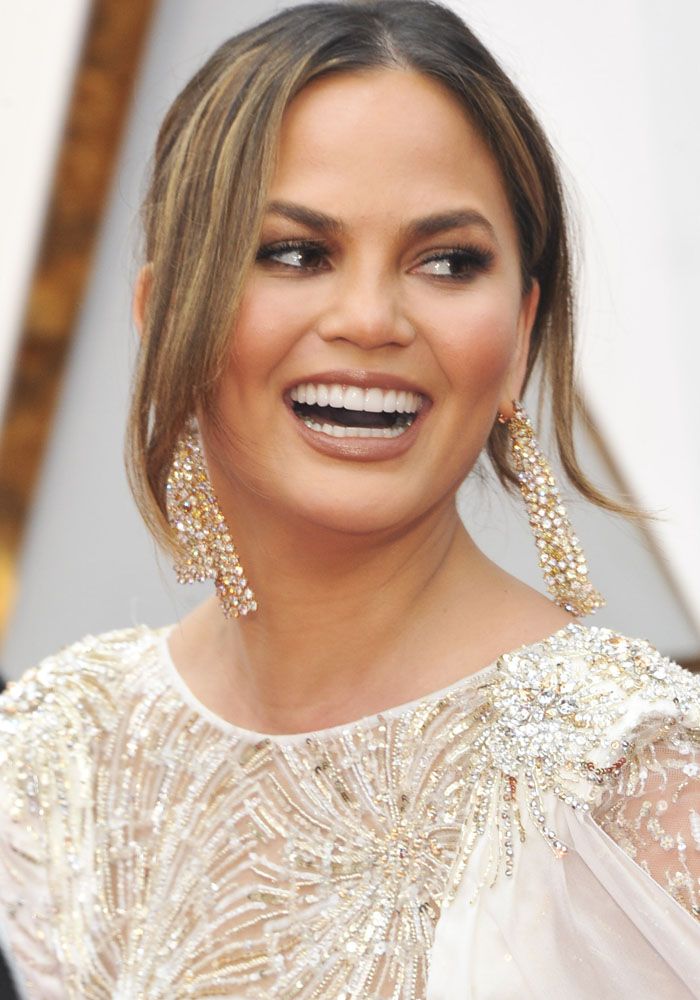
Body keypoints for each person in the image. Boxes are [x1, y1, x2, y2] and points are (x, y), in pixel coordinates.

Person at [0, 1, 698, 996]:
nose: (370, 318)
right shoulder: (57, 751)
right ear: (164, 318)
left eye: (446, 261)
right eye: (295, 253)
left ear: (521, 331)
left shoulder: (629, 781)